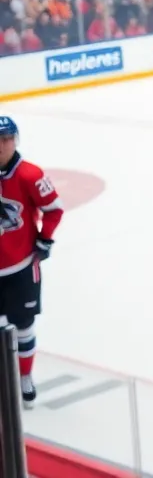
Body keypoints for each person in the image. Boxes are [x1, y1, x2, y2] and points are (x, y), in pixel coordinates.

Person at [0, 116, 63, 406]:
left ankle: (25, 375)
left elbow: (53, 209)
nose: (2, 145)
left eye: (6, 139)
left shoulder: (29, 175)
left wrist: (44, 238)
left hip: (21, 267)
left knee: (23, 325)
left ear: (15, 140)